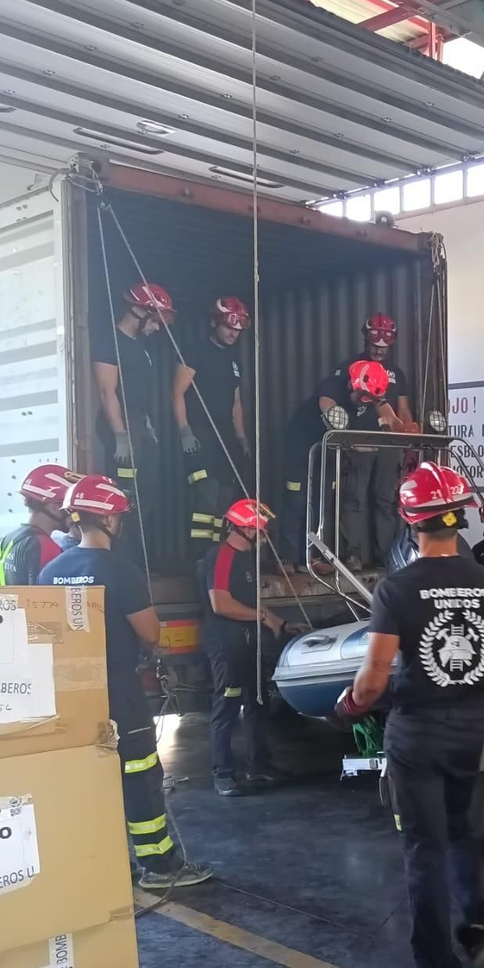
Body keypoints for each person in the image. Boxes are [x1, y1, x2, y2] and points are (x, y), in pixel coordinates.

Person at [336, 463, 484, 968]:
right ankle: (478, 923)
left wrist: (349, 706)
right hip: (469, 730)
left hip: (416, 736)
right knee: (461, 834)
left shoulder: (396, 589)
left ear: (409, 519)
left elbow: (374, 676)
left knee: (424, 852)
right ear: (460, 516)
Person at [40, 476, 210, 889]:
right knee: (140, 774)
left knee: (89, 776)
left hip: (71, 694)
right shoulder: (121, 571)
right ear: (110, 520)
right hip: (119, 692)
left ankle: (100, 862)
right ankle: (159, 865)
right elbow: (150, 632)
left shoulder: (50, 572)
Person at [200, 499, 286, 797]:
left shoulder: (246, 558)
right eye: (261, 531)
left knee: (257, 703)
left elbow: (248, 602)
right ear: (247, 530)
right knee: (226, 707)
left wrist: (279, 622)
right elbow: (221, 604)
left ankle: (259, 764)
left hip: (248, 643)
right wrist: (262, 617)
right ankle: (223, 774)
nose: (264, 537)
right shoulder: (222, 556)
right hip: (227, 647)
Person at [280, 359, 397, 570]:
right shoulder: (332, 387)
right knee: (296, 501)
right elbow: (333, 417)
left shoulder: (372, 396)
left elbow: (391, 417)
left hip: (326, 452)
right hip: (300, 449)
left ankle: (308, 557)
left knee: (319, 503)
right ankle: (287, 558)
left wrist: (396, 429)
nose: (365, 403)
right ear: (352, 384)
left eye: (371, 400)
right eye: (364, 397)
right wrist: (358, 444)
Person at [93, 282, 172, 570]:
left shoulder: (141, 345)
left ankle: (134, 557)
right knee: (123, 492)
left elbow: (140, 390)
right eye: (155, 319)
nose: (158, 327)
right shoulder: (110, 342)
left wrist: (146, 423)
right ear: (139, 310)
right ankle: (117, 557)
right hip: (122, 422)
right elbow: (107, 392)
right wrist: (120, 435)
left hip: (139, 421)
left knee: (145, 493)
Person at [174, 297, 252, 554]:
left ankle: (215, 555)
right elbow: (177, 392)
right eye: (229, 327)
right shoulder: (195, 351)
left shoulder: (234, 360)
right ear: (214, 323)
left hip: (226, 439)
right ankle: (199, 556)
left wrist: (241, 439)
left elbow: (236, 403)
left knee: (224, 501)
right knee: (206, 496)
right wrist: (185, 431)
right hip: (200, 436)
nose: (233, 333)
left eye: (238, 330)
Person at [341, 314, 414, 568]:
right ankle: (352, 554)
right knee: (354, 497)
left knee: (386, 500)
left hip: (388, 444)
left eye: (385, 346)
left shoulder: (397, 374)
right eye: (375, 345)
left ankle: (386, 557)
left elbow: (403, 411)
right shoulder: (351, 366)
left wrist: (408, 441)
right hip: (359, 441)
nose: (380, 350)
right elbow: (343, 403)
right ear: (366, 340)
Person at [0, 464, 79, 585]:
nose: (73, 513)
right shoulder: (45, 546)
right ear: (54, 508)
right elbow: (52, 595)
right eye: (69, 508)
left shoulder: (7, 539)